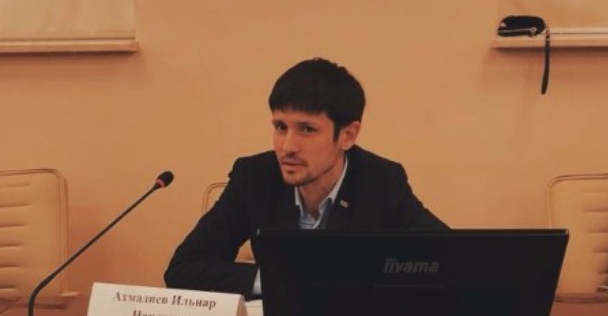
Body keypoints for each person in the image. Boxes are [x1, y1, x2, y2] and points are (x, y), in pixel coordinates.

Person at [164, 58, 447, 296]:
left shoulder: (381, 181)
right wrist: (278, 279)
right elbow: (184, 268)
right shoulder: (254, 177)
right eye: (280, 127)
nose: (287, 146)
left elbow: (448, 262)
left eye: (307, 130)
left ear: (347, 136)